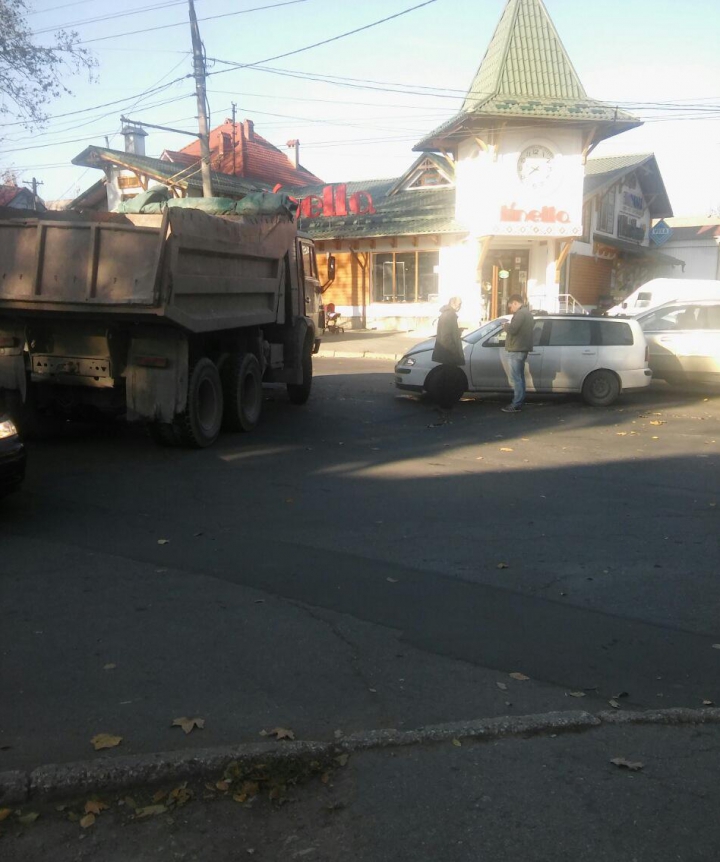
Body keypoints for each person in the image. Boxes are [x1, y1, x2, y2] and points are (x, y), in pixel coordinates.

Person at [430, 296, 466, 412]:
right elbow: (446, 337)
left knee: (447, 378)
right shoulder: (449, 315)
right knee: (449, 380)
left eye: (461, 304)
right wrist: (454, 352)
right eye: (458, 304)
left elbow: (448, 334)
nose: (460, 306)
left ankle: (445, 403)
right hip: (448, 354)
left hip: (447, 353)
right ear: (452, 303)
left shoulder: (448, 314)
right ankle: (446, 404)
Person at [501, 294, 534, 413]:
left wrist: (505, 326)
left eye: (511, 306)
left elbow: (513, 329)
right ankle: (519, 401)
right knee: (520, 377)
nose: (511, 309)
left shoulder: (520, 314)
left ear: (515, 303)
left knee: (516, 378)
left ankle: (516, 403)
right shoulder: (528, 313)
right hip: (522, 348)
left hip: (516, 349)